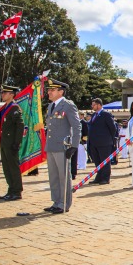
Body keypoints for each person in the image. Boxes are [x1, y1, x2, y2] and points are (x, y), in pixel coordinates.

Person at [43, 79, 81, 214]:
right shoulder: (50, 106)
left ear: (61, 92)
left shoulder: (68, 105)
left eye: (52, 90)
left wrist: (74, 146)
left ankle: (64, 203)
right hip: (51, 146)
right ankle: (56, 201)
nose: (49, 92)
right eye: (49, 90)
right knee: (53, 176)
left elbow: (77, 126)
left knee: (63, 176)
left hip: (62, 146)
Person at [0, 85, 25, 201]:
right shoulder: (5, 108)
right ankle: (11, 189)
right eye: (2, 93)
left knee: (13, 167)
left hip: (11, 142)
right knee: (6, 167)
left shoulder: (14, 108)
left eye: (5, 93)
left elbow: (20, 126)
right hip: (4, 141)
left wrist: (17, 143)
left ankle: (17, 191)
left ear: (12, 95)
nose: (2, 95)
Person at [88, 98, 116, 185]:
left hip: (104, 142)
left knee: (105, 161)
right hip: (94, 142)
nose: (92, 107)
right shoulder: (94, 115)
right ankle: (99, 177)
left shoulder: (106, 114)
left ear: (99, 105)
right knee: (97, 161)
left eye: (94, 105)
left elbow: (113, 128)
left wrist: (110, 139)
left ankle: (105, 178)